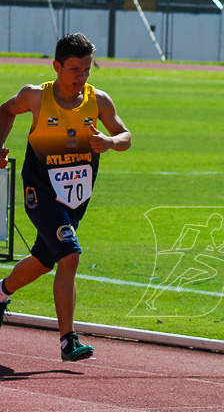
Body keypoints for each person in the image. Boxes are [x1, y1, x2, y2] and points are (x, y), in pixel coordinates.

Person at [0, 32, 132, 361]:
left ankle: (1, 292)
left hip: (75, 200)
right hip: (40, 192)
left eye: (87, 69)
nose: (81, 76)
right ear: (57, 66)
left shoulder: (98, 100)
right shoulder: (35, 96)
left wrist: (112, 143)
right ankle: (67, 341)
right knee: (70, 255)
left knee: (45, 262)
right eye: (74, 69)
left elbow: (125, 135)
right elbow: (5, 111)